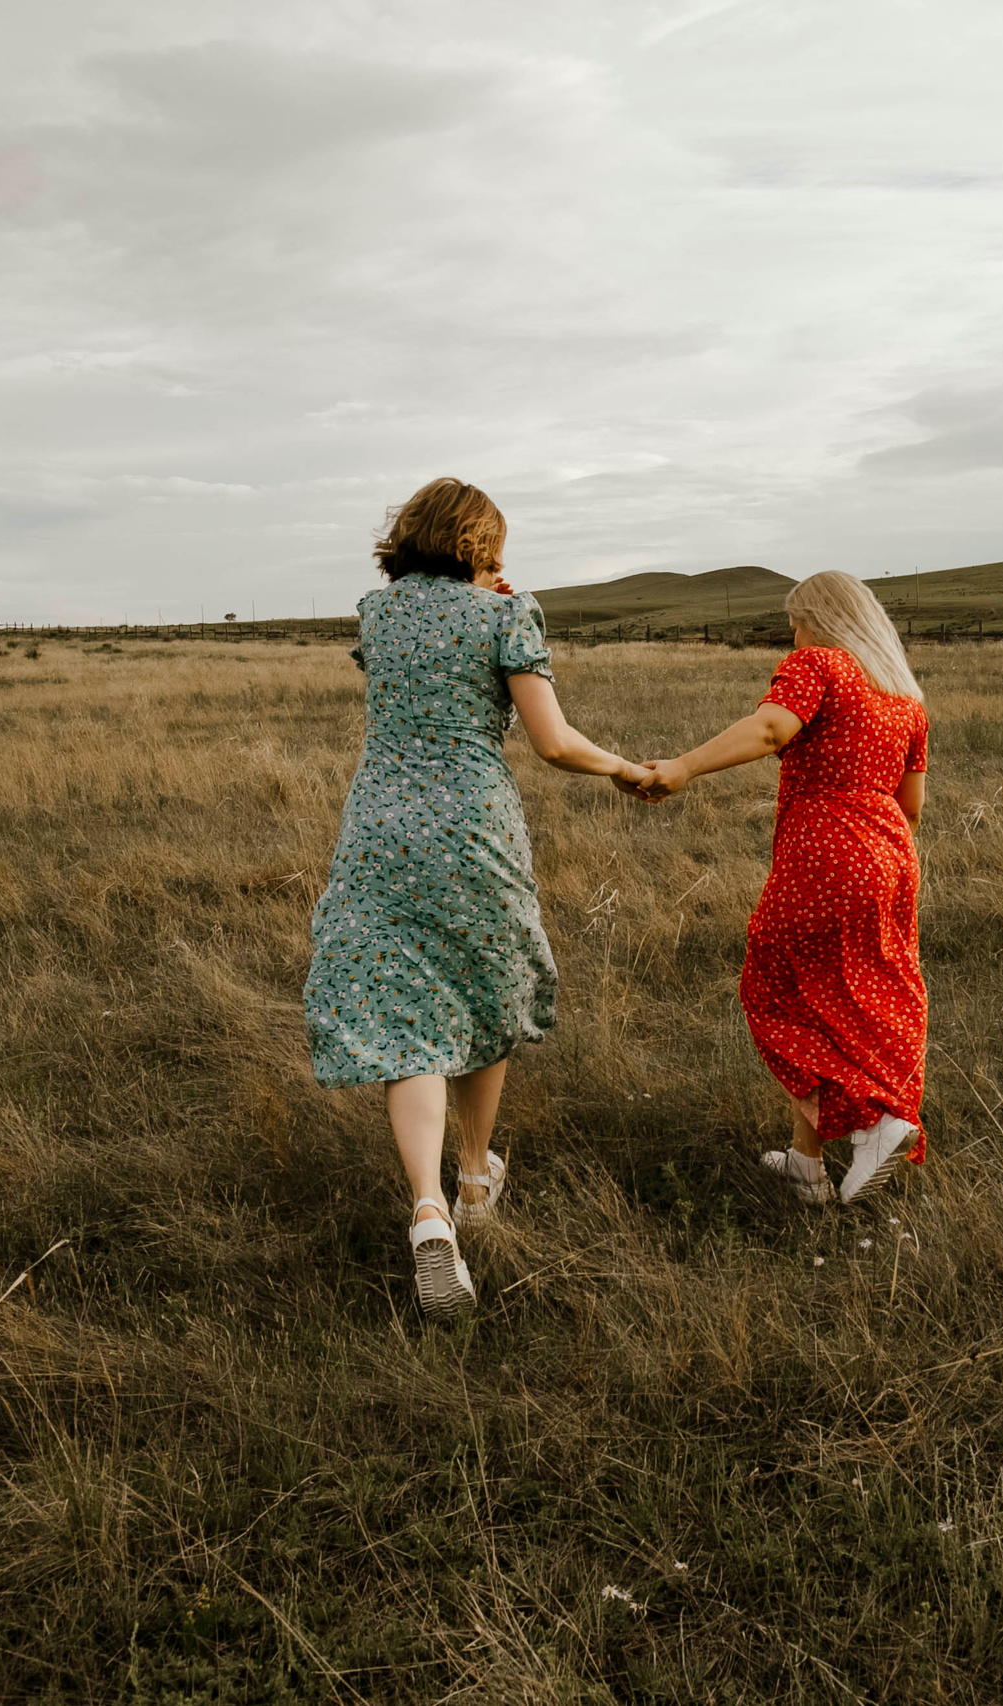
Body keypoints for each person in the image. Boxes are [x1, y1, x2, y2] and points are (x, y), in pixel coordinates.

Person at [304, 478, 650, 1317]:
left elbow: (416, 634)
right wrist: (625, 768)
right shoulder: (506, 615)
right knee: (485, 989)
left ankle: (427, 1208)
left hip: (381, 823)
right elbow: (554, 742)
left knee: (403, 1006)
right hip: (471, 824)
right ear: (479, 543)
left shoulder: (377, 614)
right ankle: (473, 1181)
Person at [632, 570, 929, 1204]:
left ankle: (873, 1121)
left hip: (828, 848)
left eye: (793, 621)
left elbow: (770, 730)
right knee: (856, 994)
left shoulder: (817, 663)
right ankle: (805, 1164)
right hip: (891, 854)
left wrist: (682, 766)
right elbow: (913, 807)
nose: (790, 634)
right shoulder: (903, 696)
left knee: (775, 992)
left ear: (818, 620)